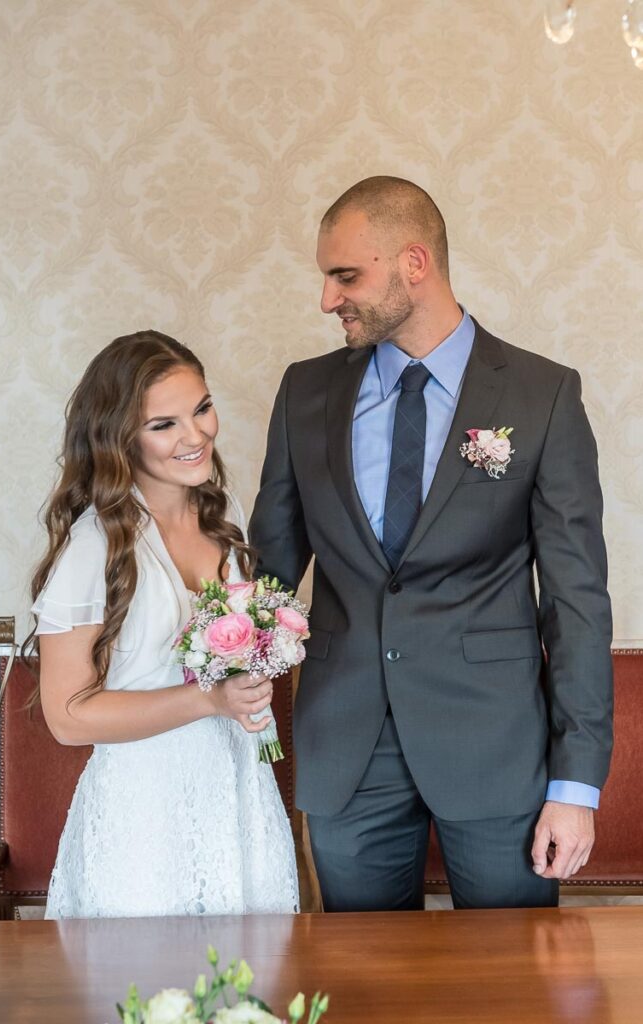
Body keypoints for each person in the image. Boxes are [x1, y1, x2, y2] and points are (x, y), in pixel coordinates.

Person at [249, 176, 613, 911]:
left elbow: (575, 603)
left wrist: (574, 785)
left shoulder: (540, 396)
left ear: (413, 263)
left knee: (511, 986)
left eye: (344, 275)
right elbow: (271, 572)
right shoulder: (305, 393)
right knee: (361, 991)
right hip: (345, 748)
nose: (327, 299)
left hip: (495, 748)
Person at [27, 330, 299, 919]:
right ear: (120, 438)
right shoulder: (94, 547)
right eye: (164, 424)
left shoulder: (222, 517)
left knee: (248, 990)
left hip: (236, 793)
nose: (195, 435)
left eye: (201, 408)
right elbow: (68, 717)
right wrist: (209, 699)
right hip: (143, 810)